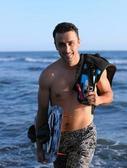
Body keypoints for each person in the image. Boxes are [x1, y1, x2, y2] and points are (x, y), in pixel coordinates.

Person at [35, 22, 115, 168]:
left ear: (78, 41)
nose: (67, 49)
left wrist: (98, 99)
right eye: (61, 44)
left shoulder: (93, 67)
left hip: (84, 135)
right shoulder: (48, 75)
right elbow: (42, 112)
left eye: (71, 43)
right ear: (55, 45)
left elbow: (109, 95)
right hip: (57, 138)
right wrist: (39, 145)